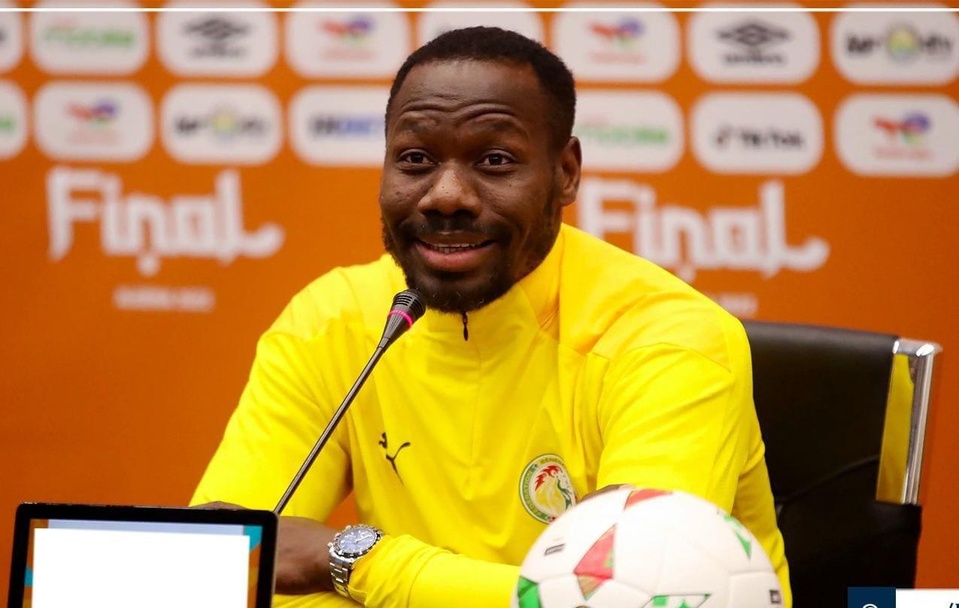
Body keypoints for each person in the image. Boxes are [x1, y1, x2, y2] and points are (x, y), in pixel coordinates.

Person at [192, 26, 791, 608]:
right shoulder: (334, 320)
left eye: (495, 160)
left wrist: (355, 560)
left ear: (565, 173)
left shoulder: (669, 338)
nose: (446, 195)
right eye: (415, 158)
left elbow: (625, 598)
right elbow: (219, 568)